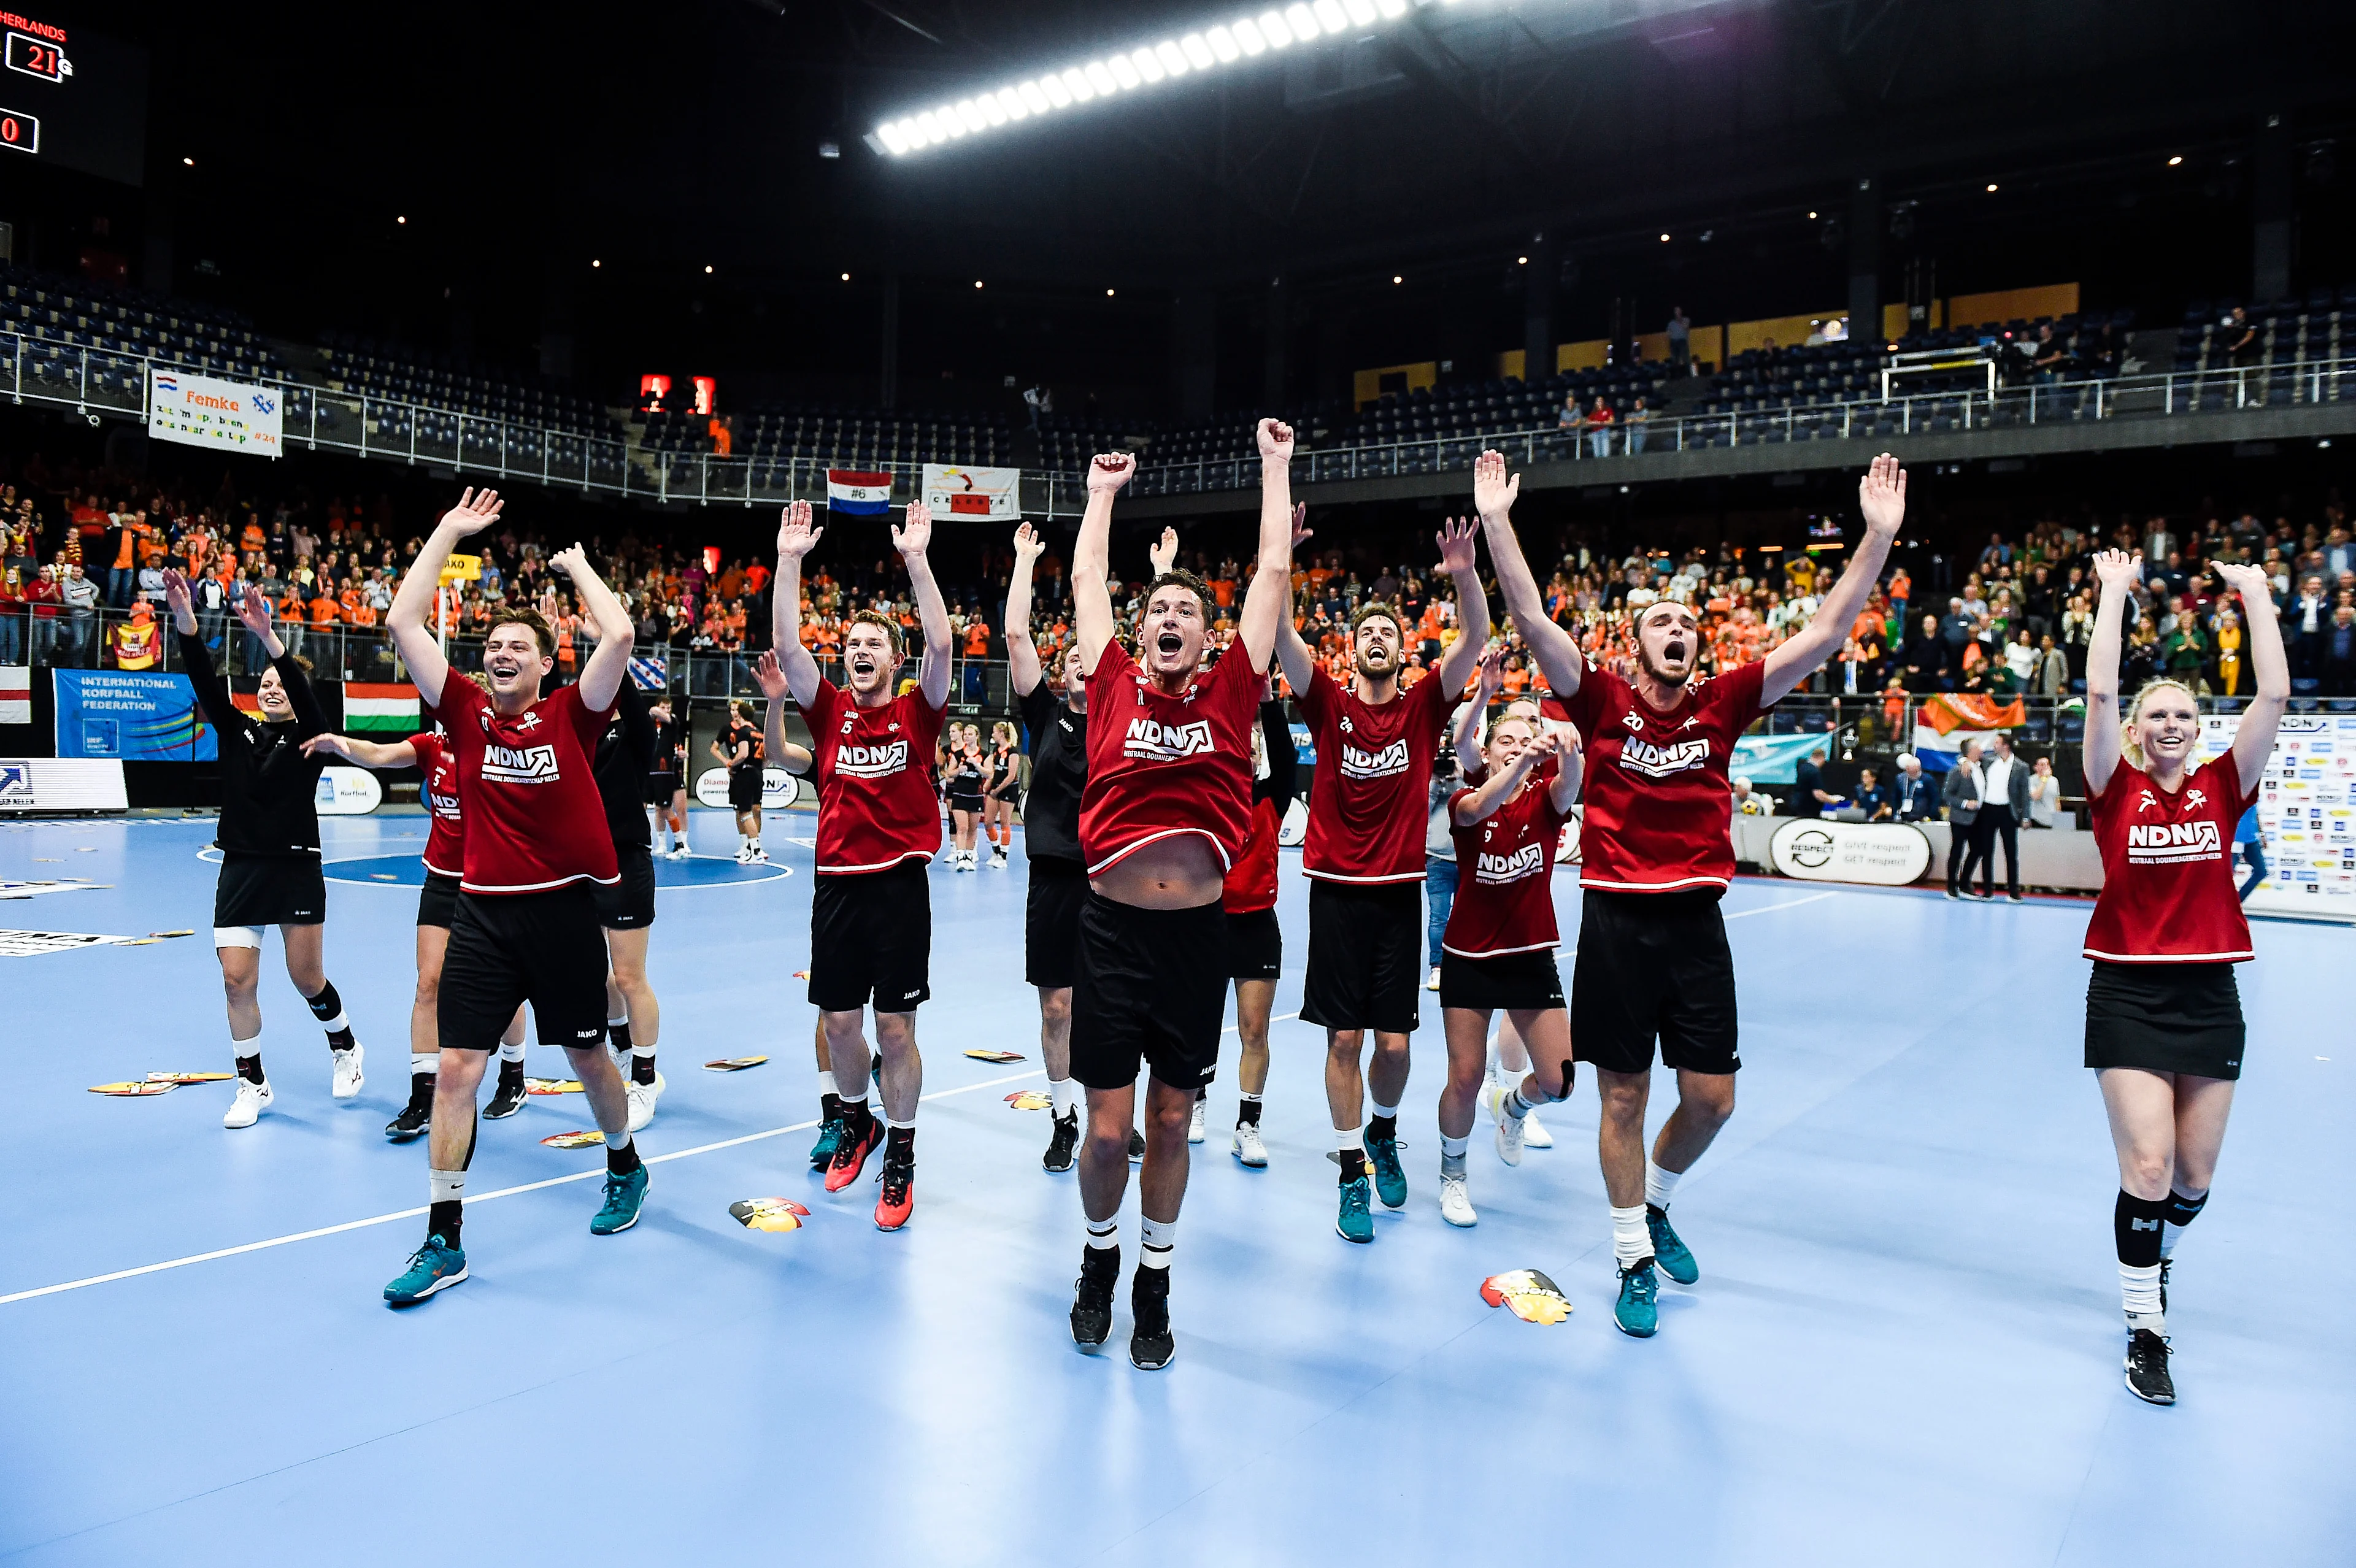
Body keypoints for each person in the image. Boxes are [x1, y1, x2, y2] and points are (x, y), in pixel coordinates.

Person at [1477, 446, 1909, 1338]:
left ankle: (1658, 1203)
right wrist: (1495, 520)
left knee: (1713, 1100)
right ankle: (1633, 1255)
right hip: (1617, 925)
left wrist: (1874, 538)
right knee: (1623, 1098)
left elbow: (1825, 634)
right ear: (1634, 649)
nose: (1677, 630)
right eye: (1660, 622)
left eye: (1686, 622)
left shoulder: (1725, 699)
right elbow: (1526, 613)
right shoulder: (1599, 701)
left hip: (1696, 927)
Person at [1063, 421, 1293, 1370]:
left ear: (1207, 635)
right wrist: (1103, 493)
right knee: (1109, 1131)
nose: (1167, 618)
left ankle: (1154, 1277)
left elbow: (1273, 571)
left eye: (1184, 611)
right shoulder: (1112, 681)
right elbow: (1085, 583)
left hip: (1199, 939)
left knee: (1168, 1121)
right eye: (1155, 607)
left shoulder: (1233, 691)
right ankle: (1097, 1260)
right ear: (1140, 628)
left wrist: (1275, 468)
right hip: (1112, 933)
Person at [379, 489, 645, 1307]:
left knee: (587, 1056)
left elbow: (624, 634)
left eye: (518, 646)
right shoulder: (461, 713)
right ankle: (444, 1239)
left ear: (543, 663)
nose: (501, 654)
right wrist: (449, 532)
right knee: (458, 1068)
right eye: (492, 644)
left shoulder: (575, 715)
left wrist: (576, 569)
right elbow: (403, 625)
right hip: (483, 915)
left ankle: (624, 1164)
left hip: (563, 917)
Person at [2079, 550, 2285, 1405]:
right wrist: (2113, 594)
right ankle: (2145, 1328)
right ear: (2135, 729)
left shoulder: (2223, 785)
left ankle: (2156, 1256)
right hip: (2127, 990)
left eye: (2184, 716)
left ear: (2198, 729)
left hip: (2209, 995)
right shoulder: (2111, 784)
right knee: (2153, 1169)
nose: (2171, 725)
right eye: (2156, 715)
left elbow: (2272, 697)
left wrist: (2257, 594)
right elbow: (2096, 694)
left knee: (2194, 1181)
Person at [1272, 491, 1490, 1244]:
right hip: (1335, 891)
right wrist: (1287, 559)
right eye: (1363, 630)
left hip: (1399, 893)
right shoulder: (1328, 702)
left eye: (1386, 632)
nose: (1373, 638)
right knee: (1343, 1041)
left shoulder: (1426, 703)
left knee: (1394, 1045)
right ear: (1351, 648)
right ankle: (1348, 1175)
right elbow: (1277, 632)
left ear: (1401, 650)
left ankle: (1383, 1129)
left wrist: (1463, 575)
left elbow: (1477, 638)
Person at [771, 496, 952, 1232]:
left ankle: (901, 1152)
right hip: (838, 891)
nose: (861, 648)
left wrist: (917, 561)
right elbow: (787, 651)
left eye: (874, 641)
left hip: (901, 889)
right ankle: (856, 1123)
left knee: (896, 1032)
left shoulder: (918, 712)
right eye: (852, 641)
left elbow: (942, 646)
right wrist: (788, 562)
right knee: (841, 1026)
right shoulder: (829, 712)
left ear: (895, 659)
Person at [158, 570, 364, 1131]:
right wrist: (186, 626)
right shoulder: (240, 731)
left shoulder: (312, 742)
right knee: (236, 980)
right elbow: (205, 685)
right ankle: (252, 1082)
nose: (273, 688)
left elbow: (313, 710)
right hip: (242, 868)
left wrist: (273, 642)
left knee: (306, 978)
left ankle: (345, 1046)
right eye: (267, 682)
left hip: (297, 869)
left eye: (283, 682)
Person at [301, 694, 532, 1140]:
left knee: (503, 986)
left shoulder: (501, 749)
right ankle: (423, 1098)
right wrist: (341, 744)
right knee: (428, 984)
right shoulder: (432, 745)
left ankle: (513, 1076)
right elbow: (383, 756)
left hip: (494, 882)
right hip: (443, 881)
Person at [1441, 714, 1584, 1228]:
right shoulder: (1465, 800)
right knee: (1463, 1077)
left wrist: (1568, 747)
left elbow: (1572, 782)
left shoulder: (1545, 801)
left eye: (1528, 741)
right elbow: (1481, 805)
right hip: (1470, 957)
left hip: (1529, 955)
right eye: (1507, 741)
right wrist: (1527, 757)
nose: (1519, 748)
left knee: (1559, 1081)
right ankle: (1453, 1177)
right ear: (1489, 749)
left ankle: (1513, 1109)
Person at [1005, 520, 1095, 1173]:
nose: (1082, 668)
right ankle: (1065, 1118)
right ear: (1063, 675)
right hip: (1055, 883)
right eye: (1072, 663)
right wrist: (1025, 560)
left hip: (1114, 881)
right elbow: (1014, 635)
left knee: (1112, 1006)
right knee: (1058, 1006)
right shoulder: (1044, 716)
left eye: (1090, 660)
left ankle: (1111, 1110)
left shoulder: (1128, 717)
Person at [1222, 674, 1298, 1169]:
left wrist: (1269, 705)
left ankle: (1248, 1124)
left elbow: (1287, 759)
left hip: (1256, 926)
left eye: (1253, 746)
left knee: (1255, 1030)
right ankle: (1198, 1101)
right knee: (1198, 1028)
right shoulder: (1206, 799)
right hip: (1205, 923)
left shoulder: (1271, 798)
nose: (1246, 751)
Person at [592, 676, 668, 1130]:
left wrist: (607, 646)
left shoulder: (636, 734)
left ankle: (645, 1079)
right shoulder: (582, 732)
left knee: (629, 976)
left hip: (626, 862)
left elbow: (626, 693)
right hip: (583, 866)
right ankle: (622, 1051)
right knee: (596, 975)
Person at [1971, 731, 2031, 901]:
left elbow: (2025, 794)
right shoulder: (1988, 762)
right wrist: (1963, 762)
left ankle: (2014, 891)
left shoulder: (2020, 766)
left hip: (2007, 811)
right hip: (1988, 810)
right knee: (1986, 851)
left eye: (1997, 743)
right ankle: (1987, 891)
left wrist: (2026, 817)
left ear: (2006, 745)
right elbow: (1971, 763)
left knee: (2011, 853)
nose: (1994, 745)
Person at [714, 700, 767, 863]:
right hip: (758, 773)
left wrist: (731, 765)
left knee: (745, 812)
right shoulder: (758, 732)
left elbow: (743, 754)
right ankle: (751, 847)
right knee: (752, 810)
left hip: (745, 773)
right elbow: (768, 756)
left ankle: (755, 851)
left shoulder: (744, 732)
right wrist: (760, 768)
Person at [647, 693, 692, 859]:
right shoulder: (651, 725)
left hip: (670, 771)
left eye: (669, 708)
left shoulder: (673, 723)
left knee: (676, 808)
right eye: (663, 707)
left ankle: (682, 843)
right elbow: (651, 713)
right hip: (652, 771)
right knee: (657, 808)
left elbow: (656, 712)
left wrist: (681, 754)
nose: (666, 711)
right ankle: (660, 844)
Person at [942, 722, 987, 870]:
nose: (967, 737)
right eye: (965, 734)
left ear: (976, 736)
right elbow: (949, 773)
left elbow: (989, 773)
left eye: (970, 734)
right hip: (960, 794)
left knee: (973, 829)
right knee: (962, 827)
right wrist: (959, 770)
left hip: (976, 795)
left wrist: (978, 765)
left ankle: (969, 856)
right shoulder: (958, 754)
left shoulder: (984, 754)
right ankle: (960, 857)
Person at [1944, 739, 1984, 898]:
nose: (1981, 749)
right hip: (1961, 818)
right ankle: (1951, 886)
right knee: (1957, 852)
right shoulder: (1957, 771)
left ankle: (1965, 882)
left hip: (1979, 818)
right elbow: (1947, 794)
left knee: (1978, 850)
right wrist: (1965, 803)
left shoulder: (1982, 767)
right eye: (1978, 746)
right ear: (1970, 751)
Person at [982, 720, 1021, 868]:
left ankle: (1004, 857)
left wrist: (997, 790)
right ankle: (996, 851)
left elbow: (1011, 776)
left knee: (1005, 822)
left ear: (1001, 734)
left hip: (1007, 790)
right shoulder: (996, 751)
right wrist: (988, 785)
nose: (992, 734)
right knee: (988, 822)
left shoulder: (1013, 752)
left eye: (994, 732)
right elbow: (993, 771)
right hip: (995, 789)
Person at [1892, 752, 1938, 821]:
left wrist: (1930, 815)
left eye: (1914, 771)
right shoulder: (1900, 779)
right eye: (1909, 771)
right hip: (1904, 814)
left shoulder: (1928, 779)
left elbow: (1935, 798)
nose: (1911, 774)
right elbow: (1895, 797)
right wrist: (1895, 812)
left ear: (1918, 768)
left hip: (1922, 815)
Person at [2028, 756, 2063, 828]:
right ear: (2036, 767)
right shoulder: (2031, 780)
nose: (2046, 767)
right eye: (2042, 765)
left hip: (2052, 820)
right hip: (2037, 820)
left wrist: (2059, 816)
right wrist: (2044, 779)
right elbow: (2036, 796)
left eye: (2047, 764)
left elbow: (2057, 800)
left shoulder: (2054, 780)